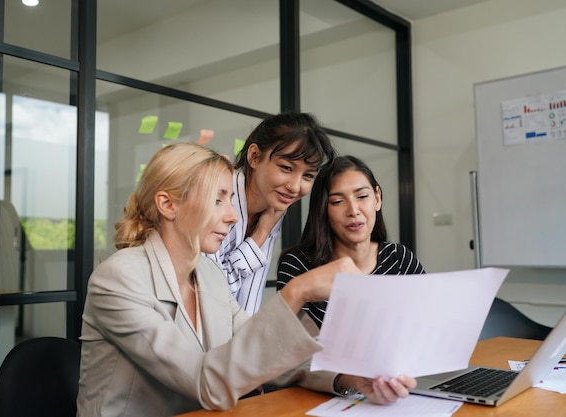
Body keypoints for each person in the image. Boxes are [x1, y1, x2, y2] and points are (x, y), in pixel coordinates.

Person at [76, 144, 416, 417]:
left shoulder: (207, 274)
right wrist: (297, 291)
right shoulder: (118, 279)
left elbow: (264, 350)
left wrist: (348, 378)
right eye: (218, 199)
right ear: (168, 205)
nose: (233, 215)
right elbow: (206, 381)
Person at [204, 111, 336, 315]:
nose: (295, 186)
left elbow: (249, 300)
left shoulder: (273, 209)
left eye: (308, 175)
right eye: (286, 168)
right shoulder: (214, 197)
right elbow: (211, 294)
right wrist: (259, 235)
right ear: (254, 156)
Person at [277, 155, 426, 328]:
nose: (353, 210)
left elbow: (428, 318)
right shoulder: (299, 265)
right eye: (337, 201)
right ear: (323, 210)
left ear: (377, 199)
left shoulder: (399, 258)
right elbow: (289, 341)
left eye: (362, 196)